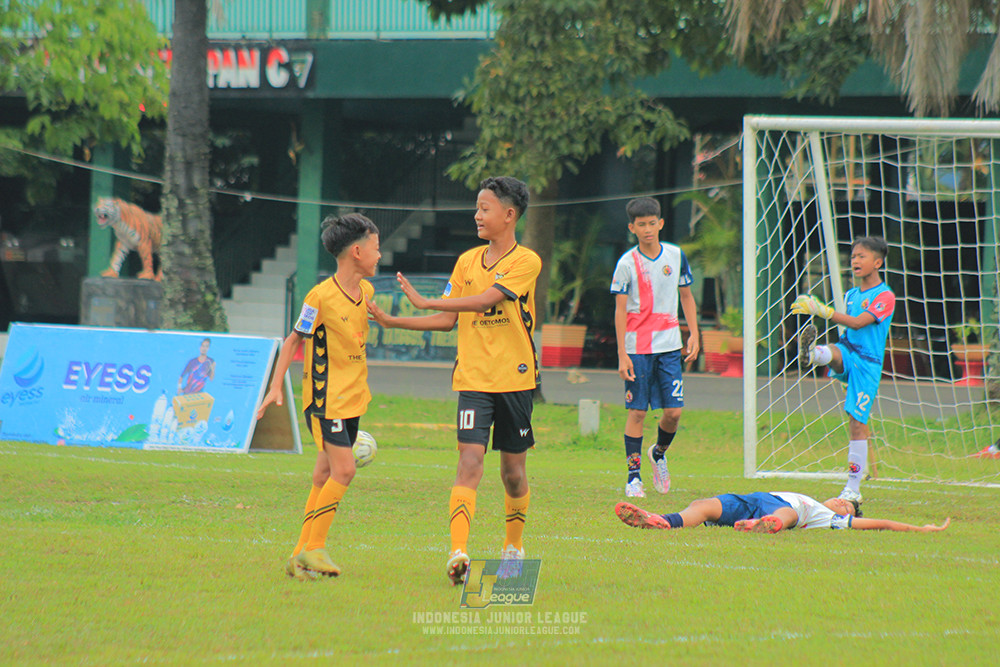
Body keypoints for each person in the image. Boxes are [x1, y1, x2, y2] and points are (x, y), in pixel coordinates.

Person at [367, 176, 540, 586]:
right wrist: (395, 320)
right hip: (473, 379)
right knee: (469, 463)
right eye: (477, 208)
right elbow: (447, 320)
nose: (477, 215)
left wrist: (428, 298)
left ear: (509, 215)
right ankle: (458, 552)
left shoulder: (525, 261)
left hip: (515, 381)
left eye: (485, 208)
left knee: (513, 474)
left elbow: (485, 301)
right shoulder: (466, 262)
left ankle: (513, 549)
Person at [256, 213, 381, 581]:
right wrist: (276, 386)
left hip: (354, 397)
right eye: (375, 248)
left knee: (324, 472)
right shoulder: (320, 296)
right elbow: (293, 339)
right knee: (344, 470)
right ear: (357, 252)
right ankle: (315, 548)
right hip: (327, 402)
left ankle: (298, 555)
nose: (379, 255)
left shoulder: (367, 293)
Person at [792, 236, 895, 504]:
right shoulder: (851, 294)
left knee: (857, 425)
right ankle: (812, 354)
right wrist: (823, 311)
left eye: (862, 256)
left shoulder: (885, 296)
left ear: (877, 262)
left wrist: (822, 311)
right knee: (835, 351)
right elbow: (849, 330)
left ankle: (853, 487)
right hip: (849, 351)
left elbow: (859, 323)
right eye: (853, 256)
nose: (855, 261)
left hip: (868, 364)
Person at [610, 197, 700, 499]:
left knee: (673, 412)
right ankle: (633, 478)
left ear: (660, 224)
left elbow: (686, 297)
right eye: (641, 225)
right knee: (637, 413)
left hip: (670, 346)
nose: (648, 229)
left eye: (652, 223)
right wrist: (622, 353)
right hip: (637, 348)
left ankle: (658, 453)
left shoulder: (675, 256)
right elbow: (620, 310)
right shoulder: (626, 264)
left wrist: (694, 335)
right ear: (632, 228)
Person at [614, 493, 950, 533]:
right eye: (841, 499)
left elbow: (882, 523)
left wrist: (920, 529)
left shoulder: (825, 517)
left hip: (783, 510)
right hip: (754, 499)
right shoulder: (818, 500)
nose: (839, 502)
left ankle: (765, 526)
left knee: (788, 513)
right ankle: (664, 521)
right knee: (703, 506)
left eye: (846, 504)